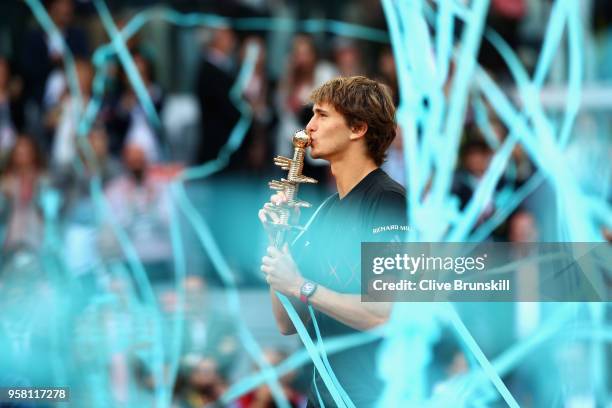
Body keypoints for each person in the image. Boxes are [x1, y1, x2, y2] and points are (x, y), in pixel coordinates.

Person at [259, 76, 408, 407]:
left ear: (357, 129)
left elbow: (384, 312)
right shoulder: (325, 211)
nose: (308, 127)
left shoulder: (388, 202)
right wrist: (279, 236)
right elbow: (287, 322)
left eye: (322, 115)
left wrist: (302, 286)